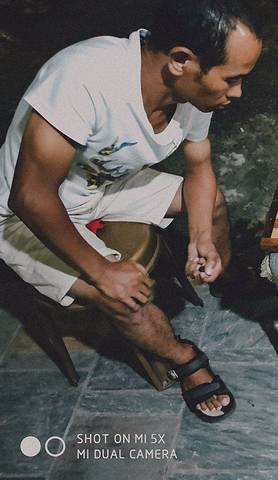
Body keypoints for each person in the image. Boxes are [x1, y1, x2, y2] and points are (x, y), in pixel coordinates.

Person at [0, 0, 262, 421]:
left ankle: (226, 279)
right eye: (231, 79)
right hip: (22, 214)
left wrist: (201, 236)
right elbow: (30, 196)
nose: (238, 93)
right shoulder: (82, 77)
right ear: (181, 60)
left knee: (210, 203)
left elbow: (199, 168)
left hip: (99, 185)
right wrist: (103, 272)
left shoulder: (191, 93)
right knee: (120, 294)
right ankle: (184, 357)